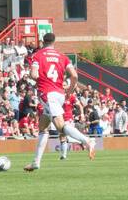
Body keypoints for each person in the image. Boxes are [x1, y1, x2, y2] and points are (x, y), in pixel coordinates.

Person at [25, 33, 95, 172]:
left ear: (42, 42)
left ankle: (87, 140)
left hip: (47, 93)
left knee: (60, 127)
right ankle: (36, 162)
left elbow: (33, 75)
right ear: (54, 42)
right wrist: (69, 90)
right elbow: (74, 75)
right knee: (43, 127)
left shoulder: (37, 55)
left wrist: (37, 79)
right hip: (59, 94)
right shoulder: (63, 57)